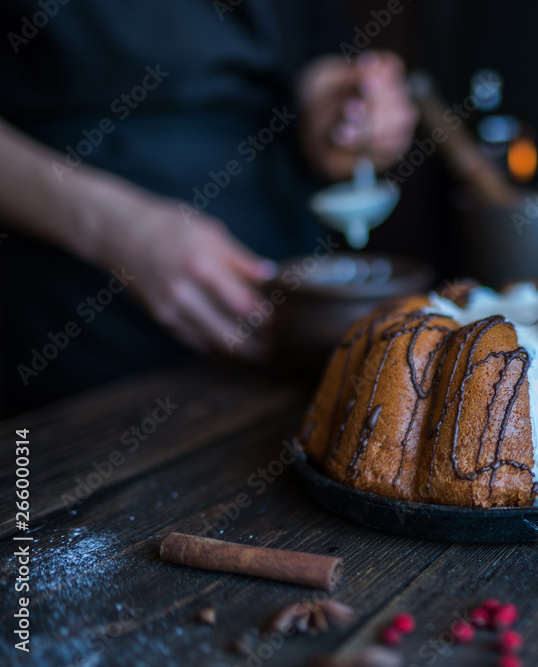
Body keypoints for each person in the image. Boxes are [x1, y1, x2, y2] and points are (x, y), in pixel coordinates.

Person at [0, 1, 418, 416]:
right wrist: (114, 228)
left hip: (280, 311)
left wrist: (337, 111)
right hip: (67, 329)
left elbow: (309, 50)